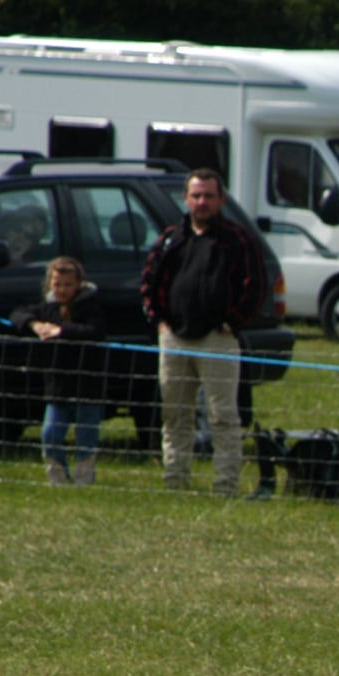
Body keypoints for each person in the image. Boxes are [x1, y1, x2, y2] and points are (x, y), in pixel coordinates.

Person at [138, 169, 264, 495]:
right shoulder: (171, 239)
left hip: (217, 340)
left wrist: (232, 323)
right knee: (175, 417)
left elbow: (255, 287)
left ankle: (225, 487)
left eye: (209, 195)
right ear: (186, 198)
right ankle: (175, 483)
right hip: (174, 339)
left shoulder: (237, 240)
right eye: (196, 195)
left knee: (223, 417)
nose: (202, 202)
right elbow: (149, 283)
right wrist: (159, 321)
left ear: (221, 199)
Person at [10, 256, 106, 486]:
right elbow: (17, 314)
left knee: (86, 435)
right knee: (50, 433)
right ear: (49, 284)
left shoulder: (91, 306)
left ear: (79, 284)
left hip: (88, 385)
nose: (62, 290)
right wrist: (35, 324)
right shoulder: (46, 308)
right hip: (57, 385)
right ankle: (58, 479)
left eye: (68, 285)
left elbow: (95, 330)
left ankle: (85, 478)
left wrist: (61, 331)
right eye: (57, 284)